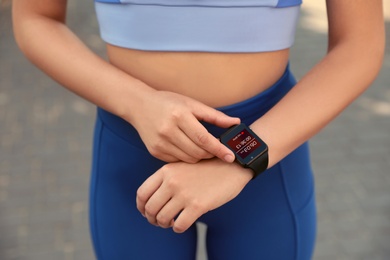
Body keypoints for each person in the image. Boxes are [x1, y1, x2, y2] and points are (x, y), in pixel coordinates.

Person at [12, 0, 384, 259]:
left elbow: (359, 44)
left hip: (266, 165)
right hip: (133, 163)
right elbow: (35, 18)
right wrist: (137, 102)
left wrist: (239, 161)